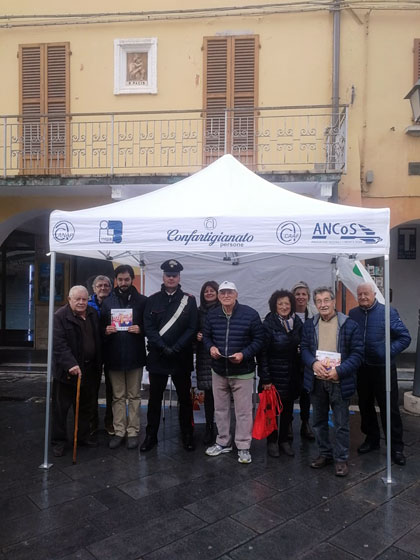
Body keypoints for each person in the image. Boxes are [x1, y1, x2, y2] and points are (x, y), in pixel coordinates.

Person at [301, 286, 363, 477]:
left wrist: (340, 371)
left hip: (339, 381)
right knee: (318, 421)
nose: (323, 304)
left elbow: (358, 354)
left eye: (326, 300)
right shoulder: (310, 325)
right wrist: (312, 363)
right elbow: (304, 348)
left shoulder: (349, 325)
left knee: (342, 423)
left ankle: (341, 459)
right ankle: (325, 454)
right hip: (317, 381)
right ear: (315, 304)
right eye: (319, 301)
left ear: (333, 302)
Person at [349, 282, 411, 466]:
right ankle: (372, 439)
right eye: (359, 294)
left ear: (374, 293)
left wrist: (388, 351)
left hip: (383, 368)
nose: (362, 297)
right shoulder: (353, 314)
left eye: (366, 294)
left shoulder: (388, 312)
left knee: (389, 408)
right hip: (362, 368)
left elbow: (405, 337)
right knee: (365, 405)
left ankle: (396, 447)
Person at [203, 281, 264, 464]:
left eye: (230, 292)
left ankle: (244, 446)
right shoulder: (212, 315)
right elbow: (206, 336)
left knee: (243, 411)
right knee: (220, 409)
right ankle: (223, 442)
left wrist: (243, 354)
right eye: (223, 293)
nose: (226, 295)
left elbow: (259, 340)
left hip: (242, 372)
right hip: (219, 370)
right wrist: (211, 347)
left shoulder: (250, 314)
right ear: (219, 296)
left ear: (236, 294)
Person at [141, 259, 198, 452]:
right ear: (163, 277)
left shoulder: (189, 300)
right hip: (159, 356)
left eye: (174, 275)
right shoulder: (153, 299)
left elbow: (192, 327)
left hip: (181, 357)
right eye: (168, 275)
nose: (171, 278)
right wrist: (164, 347)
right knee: (155, 399)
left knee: (184, 399)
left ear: (179, 277)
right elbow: (148, 327)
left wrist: (177, 347)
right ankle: (151, 436)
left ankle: (187, 434)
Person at [100, 265, 147, 450]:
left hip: (135, 355)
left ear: (132, 279)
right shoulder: (107, 302)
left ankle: (133, 431)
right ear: (115, 280)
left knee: (134, 395)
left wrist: (140, 329)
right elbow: (100, 327)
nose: (123, 283)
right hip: (114, 355)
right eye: (120, 279)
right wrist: (106, 330)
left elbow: (149, 325)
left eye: (127, 279)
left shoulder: (142, 301)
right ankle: (119, 431)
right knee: (118, 396)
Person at [51, 286, 102, 457]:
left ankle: (82, 437)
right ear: (69, 299)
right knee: (61, 409)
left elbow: (97, 338)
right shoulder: (59, 317)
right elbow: (58, 345)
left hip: (88, 369)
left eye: (84, 299)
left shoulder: (93, 314)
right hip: (67, 372)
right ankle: (58, 441)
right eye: (77, 299)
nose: (81, 302)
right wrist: (70, 364)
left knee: (85, 407)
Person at [260, 290, 303, 458]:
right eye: (280, 304)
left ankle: (284, 440)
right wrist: (265, 378)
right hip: (274, 374)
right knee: (272, 411)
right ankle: (272, 441)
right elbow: (262, 354)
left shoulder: (297, 322)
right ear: (274, 306)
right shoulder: (268, 324)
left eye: (287, 303)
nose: (284, 307)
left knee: (287, 410)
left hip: (292, 375)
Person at [87, 275, 113, 435]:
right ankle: (92, 423)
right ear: (94, 288)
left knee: (112, 390)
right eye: (99, 285)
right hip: (93, 353)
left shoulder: (116, 303)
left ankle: (110, 422)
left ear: (110, 288)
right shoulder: (87, 305)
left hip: (111, 351)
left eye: (106, 285)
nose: (103, 288)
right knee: (91, 390)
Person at [291, 280, 316, 441]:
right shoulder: (287, 312)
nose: (300, 297)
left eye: (303, 294)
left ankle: (305, 423)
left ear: (308, 297)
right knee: (289, 393)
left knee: (306, 393)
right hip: (290, 361)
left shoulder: (314, 315)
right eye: (297, 294)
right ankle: (287, 424)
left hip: (308, 361)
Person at [196, 281, 220, 445]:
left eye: (212, 290)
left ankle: (222, 428)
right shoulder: (197, 312)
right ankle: (209, 427)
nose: (209, 293)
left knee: (222, 396)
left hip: (220, 356)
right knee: (209, 396)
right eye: (206, 291)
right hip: (205, 357)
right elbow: (192, 330)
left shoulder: (223, 309)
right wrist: (196, 337)